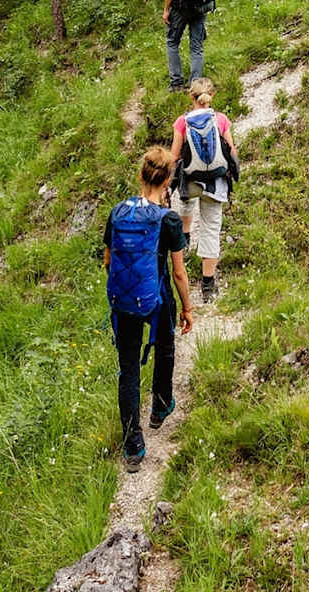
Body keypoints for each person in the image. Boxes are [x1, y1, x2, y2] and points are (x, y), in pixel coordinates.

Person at [103, 146, 194, 473]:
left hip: (125, 301)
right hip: (156, 299)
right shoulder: (168, 219)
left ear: (141, 176)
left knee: (128, 370)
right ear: (167, 181)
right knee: (165, 346)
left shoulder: (117, 212)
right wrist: (188, 308)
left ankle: (133, 447)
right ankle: (159, 406)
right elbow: (179, 273)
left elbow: (109, 261)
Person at [168, 77, 237, 304]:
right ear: (212, 96)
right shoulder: (221, 119)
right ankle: (208, 285)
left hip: (191, 180)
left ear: (191, 97)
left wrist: (169, 183)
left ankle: (185, 236)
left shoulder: (182, 121)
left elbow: (174, 156)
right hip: (215, 182)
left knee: (185, 202)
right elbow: (231, 153)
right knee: (211, 227)